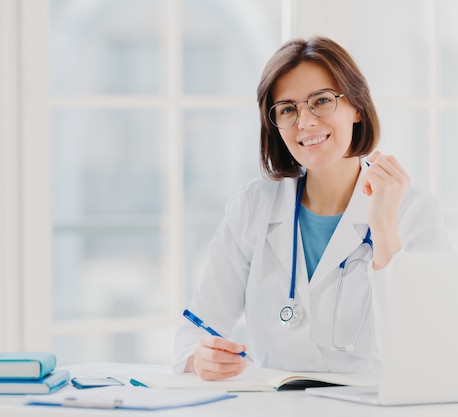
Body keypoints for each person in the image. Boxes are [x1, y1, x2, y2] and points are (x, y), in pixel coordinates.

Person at [173, 36, 452, 381]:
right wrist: (201, 356)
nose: (305, 122)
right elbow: (196, 330)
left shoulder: (416, 212)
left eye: (321, 101)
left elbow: (425, 350)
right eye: (288, 109)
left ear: (358, 107)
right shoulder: (253, 206)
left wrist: (383, 229)